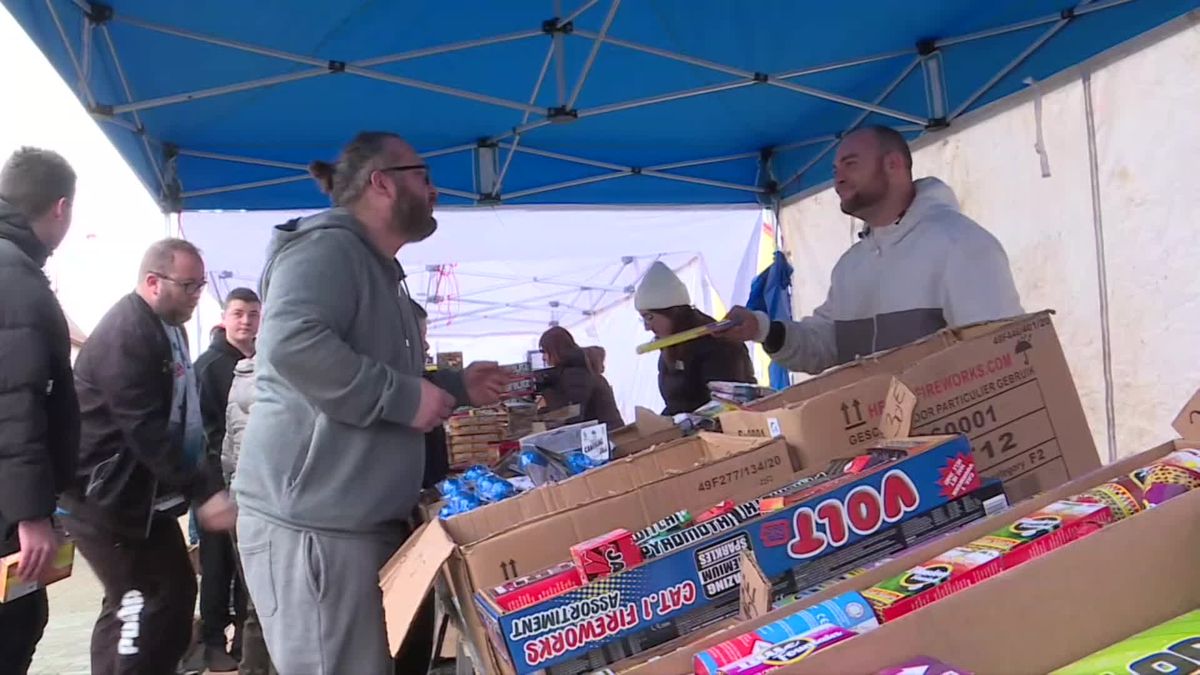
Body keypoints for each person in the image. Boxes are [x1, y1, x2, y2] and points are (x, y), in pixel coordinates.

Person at [233, 130, 509, 675]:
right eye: (424, 177)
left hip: (352, 524)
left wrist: (453, 388)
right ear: (381, 183)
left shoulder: (376, 269)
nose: (435, 191)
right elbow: (292, 343)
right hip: (315, 529)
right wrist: (404, 397)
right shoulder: (327, 249)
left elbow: (371, 362)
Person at [63, 238, 235, 675]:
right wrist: (204, 492)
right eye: (189, 286)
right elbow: (145, 427)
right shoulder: (128, 334)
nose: (198, 296)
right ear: (153, 282)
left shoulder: (167, 328)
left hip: (140, 499)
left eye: (201, 286)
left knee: (168, 595)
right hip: (106, 500)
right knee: (144, 602)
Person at [722, 126, 1023, 373]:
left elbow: (1001, 355)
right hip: (879, 440)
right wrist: (761, 330)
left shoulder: (960, 243)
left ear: (893, 164)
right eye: (835, 168)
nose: (838, 178)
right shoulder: (849, 267)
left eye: (850, 164)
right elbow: (825, 346)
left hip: (955, 443)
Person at [0, 147, 79, 675]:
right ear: (60, 208)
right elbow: (15, 399)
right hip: (8, 510)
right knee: (18, 625)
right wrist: (31, 515)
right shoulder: (15, 279)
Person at [194, 287, 261, 671]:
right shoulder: (209, 366)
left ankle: (240, 643)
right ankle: (213, 642)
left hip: (247, 486)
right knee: (217, 567)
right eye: (238, 313)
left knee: (244, 569)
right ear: (225, 317)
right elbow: (204, 432)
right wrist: (212, 488)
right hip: (215, 485)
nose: (246, 321)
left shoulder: (258, 365)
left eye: (253, 314)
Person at [634, 261, 755, 415]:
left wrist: (685, 423)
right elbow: (676, 403)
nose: (647, 327)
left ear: (672, 312)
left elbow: (727, 404)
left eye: (649, 317)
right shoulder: (670, 347)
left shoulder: (716, 343)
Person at [538, 326, 623, 429]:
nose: (543, 358)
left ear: (556, 350)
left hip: (607, 437)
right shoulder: (577, 370)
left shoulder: (575, 373)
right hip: (607, 434)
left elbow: (573, 417)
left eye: (545, 351)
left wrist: (544, 405)